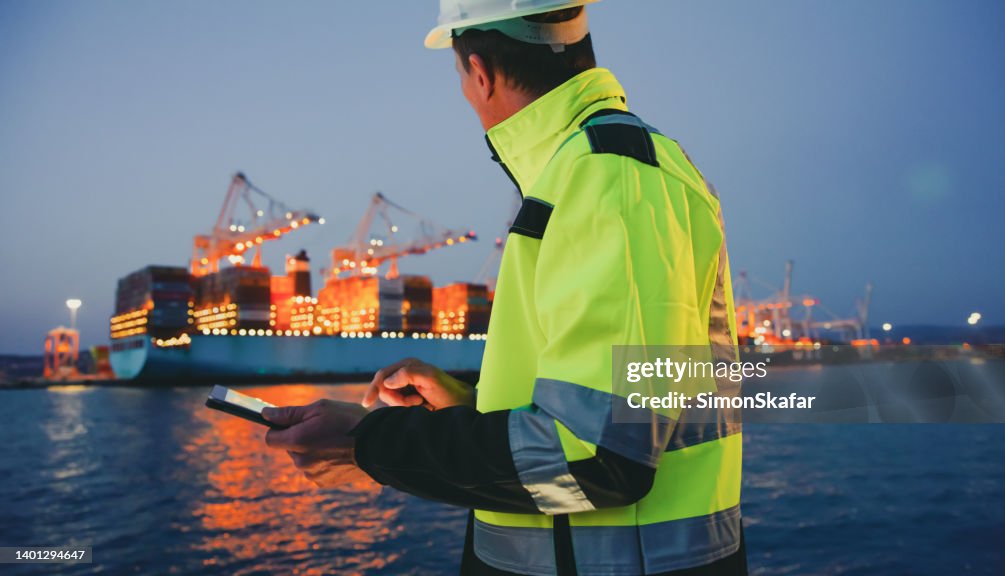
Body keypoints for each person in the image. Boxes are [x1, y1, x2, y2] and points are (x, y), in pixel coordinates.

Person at [262, 1, 747, 574]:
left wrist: (370, 444)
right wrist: (469, 406)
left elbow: (600, 457)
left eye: (462, 81)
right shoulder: (589, 172)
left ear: (480, 72)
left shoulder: (606, 177)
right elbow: (605, 413)